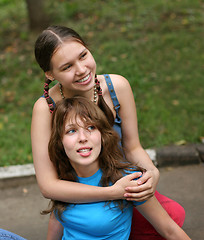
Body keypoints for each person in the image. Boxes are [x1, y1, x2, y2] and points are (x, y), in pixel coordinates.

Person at [31, 25, 185, 239]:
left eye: (83, 55)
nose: (82, 69)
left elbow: (132, 147)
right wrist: (111, 193)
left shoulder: (117, 87)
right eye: (67, 67)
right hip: (82, 191)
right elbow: (48, 186)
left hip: (122, 180)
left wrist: (152, 173)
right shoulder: (46, 108)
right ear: (50, 74)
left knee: (172, 216)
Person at [43, 97, 190, 240]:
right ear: (60, 141)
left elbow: (169, 230)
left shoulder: (127, 179)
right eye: (71, 131)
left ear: (102, 135)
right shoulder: (63, 180)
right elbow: (56, 218)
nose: (83, 137)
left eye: (91, 127)